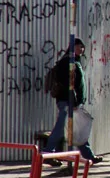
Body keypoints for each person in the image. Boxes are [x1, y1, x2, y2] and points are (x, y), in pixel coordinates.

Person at [43, 38, 103, 166]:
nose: (81, 49)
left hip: (72, 102)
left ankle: (89, 156)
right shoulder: (67, 62)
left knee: (78, 129)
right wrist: (74, 101)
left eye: (82, 47)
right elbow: (67, 83)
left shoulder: (75, 61)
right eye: (78, 47)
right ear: (72, 47)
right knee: (60, 129)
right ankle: (47, 153)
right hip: (67, 101)